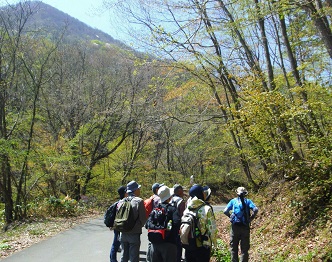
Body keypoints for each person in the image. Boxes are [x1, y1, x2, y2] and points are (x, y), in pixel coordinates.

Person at [183, 184, 217, 262]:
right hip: (203, 245)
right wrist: (214, 244)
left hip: (189, 244)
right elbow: (212, 229)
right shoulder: (206, 208)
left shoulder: (187, 208)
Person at [223, 187, 258, 262]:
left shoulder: (233, 201)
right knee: (244, 249)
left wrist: (230, 217)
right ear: (245, 194)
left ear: (237, 193)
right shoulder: (248, 201)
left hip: (235, 227)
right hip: (245, 227)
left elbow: (225, 211)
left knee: (233, 248)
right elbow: (255, 209)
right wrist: (251, 218)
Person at [149, 185, 181, 262]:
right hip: (169, 243)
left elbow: (148, 224)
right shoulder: (172, 209)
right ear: (169, 197)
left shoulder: (155, 209)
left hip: (155, 243)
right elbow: (177, 223)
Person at [119, 181, 147, 262]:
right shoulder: (139, 201)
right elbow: (143, 218)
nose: (139, 190)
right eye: (138, 188)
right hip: (134, 233)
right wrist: (138, 226)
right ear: (135, 190)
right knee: (134, 257)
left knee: (124, 256)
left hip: (123, 232)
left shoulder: (121, 201)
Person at [146, 183, 164, 262]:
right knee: (155, 241)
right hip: (157, 222)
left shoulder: (152, 198)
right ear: (157, 190)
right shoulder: (158, 199)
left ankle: (149, 258)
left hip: (151, 221)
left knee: (151, 241)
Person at [110, 186, 126, 262]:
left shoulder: (119, 202)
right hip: (118, 226)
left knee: (117, 243)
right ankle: (113, 260)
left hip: (117, 225)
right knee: (115, 244)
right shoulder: (121, 203)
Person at [172, 184, 186, 262]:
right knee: (178, 246)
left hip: (170, 226)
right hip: (178, 226)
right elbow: (183, 215)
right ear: (179, 191)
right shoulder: (180, 201)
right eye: (182, 190)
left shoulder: (170, 199)